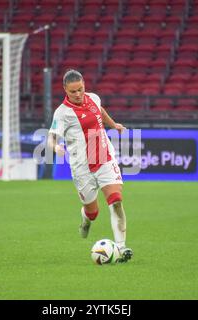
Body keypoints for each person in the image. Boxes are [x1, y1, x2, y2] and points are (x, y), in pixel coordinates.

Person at [47, 69, 133, 263]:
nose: (78, 94)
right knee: (93, 212)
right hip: (82, 168)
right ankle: (85, 219)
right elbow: (51, 136)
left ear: (84, 84)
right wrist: (55, 147)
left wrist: (113, 125)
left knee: (116, 199)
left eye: (80, 89)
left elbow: (100, 111)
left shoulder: (93, 97)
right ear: (65, 90)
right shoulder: (62, 113)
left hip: (104, 158)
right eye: (73, 92)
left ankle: (121, 247)